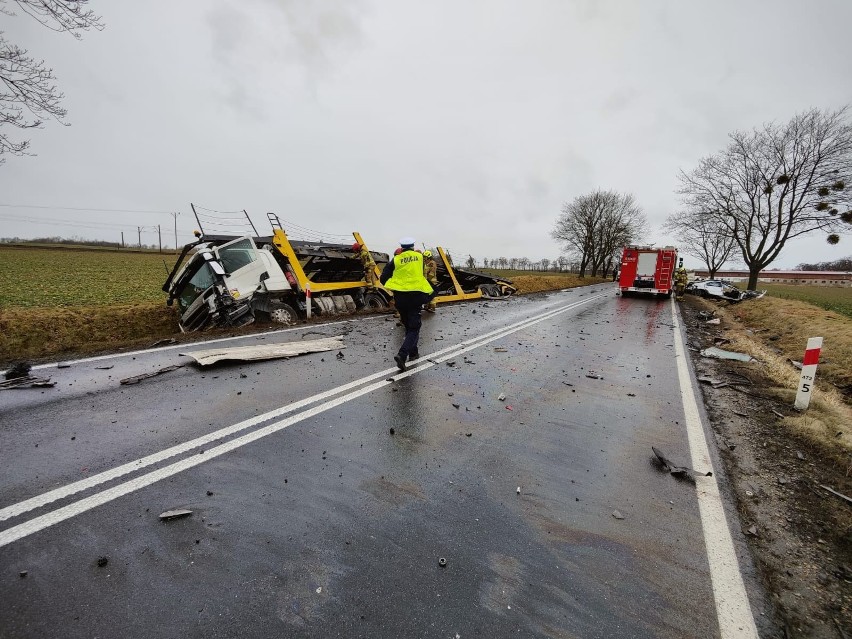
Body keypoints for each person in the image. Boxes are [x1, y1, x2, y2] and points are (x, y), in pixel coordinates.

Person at [380, 237, 434, 371]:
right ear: (412, 246)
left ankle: (413, 353)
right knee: (415, 327)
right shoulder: (420, 257)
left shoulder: (396, 259)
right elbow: (422, 272)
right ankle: (402, 355)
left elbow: (383, 278)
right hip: (415, 296)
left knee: (409, 326)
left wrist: (394, 285)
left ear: (402, 247)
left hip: (400, 298)